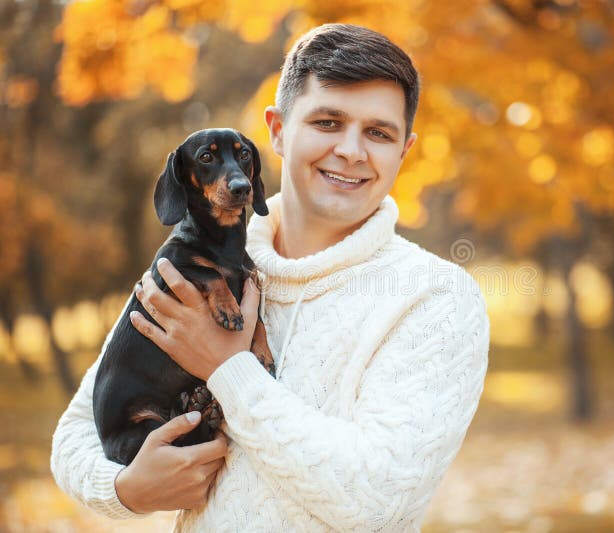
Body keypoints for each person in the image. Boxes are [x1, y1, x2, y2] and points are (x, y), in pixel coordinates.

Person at [51, 23, 489, 531]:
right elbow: (78, 431)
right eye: (327, 122)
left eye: (378, 132)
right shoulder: (190, 267)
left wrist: (229, 368)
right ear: (277, 131)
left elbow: (379, 503)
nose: (351, 150)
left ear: (404, 151)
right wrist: (124, 489)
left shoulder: (437, 298)